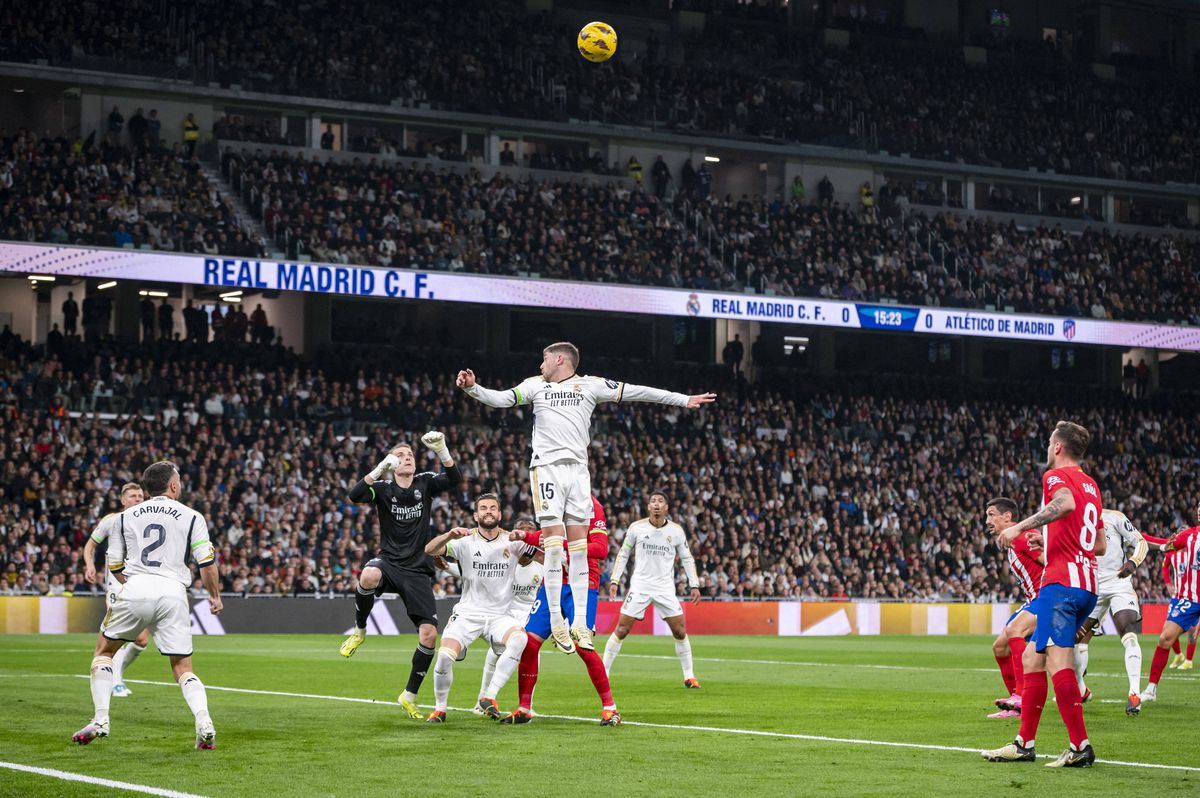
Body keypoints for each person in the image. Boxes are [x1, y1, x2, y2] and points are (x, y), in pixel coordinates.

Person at [456, 342, 715, 654]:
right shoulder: (535, 386)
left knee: (578, 550)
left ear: (560, 359)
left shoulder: (590, 385)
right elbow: (501, 399)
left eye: (544, 359)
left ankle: (579, 621)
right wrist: (473, 389)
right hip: (547, 470)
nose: (540, 365)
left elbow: (638, 391)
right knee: (553, 546)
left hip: (579, 472)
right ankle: (555, 621)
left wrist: (683, 400)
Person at [72, 461, 222, 749]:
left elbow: (114, 564)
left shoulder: (125, 517)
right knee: (182, 667)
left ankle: (101, 718)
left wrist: (133, 588)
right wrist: (214, 596)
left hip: (135, 587)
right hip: (173, 592)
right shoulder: (192, 516)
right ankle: (204, 721)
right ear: (174, 486)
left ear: (146, 489)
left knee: (104, 652)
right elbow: (207, 563)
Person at [984, 420, 1105, 768]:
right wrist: (1049, 541)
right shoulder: (1092, 485)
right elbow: (1098, 544)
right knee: (1031, 660)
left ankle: (1080, 745)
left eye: (1050, 442)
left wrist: (1021, 528)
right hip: (1086, 584)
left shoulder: (1056, 478)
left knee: (1058, 663)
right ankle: (1024, 744)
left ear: (1057, 447)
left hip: (1060, 585)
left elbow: (1064, 504)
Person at [341, 433, 461, 720]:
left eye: (411, 455)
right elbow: (355, 495)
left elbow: (453, 478)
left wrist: (443, 450)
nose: (408, 457)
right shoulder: (383, 488)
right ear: (393, 464)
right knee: (369, 574)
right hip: (390, 561)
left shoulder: (425, 482)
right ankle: (360, 631)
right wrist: (380, 468)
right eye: (401, 455)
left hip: (417, 567)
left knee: (430, 635)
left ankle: (409, 696)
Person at [501, 497, 619, 725]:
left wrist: (561, 544)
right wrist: (525, 536)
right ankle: (524, 708)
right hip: (553, 581)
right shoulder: (552, 501)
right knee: (529, 643)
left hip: (582, 584)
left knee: (582, 645)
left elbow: (601, 549)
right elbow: (545, 537)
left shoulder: (591, 506)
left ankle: (610, 708)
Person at [423, 493, 529, 723]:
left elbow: (535, 558)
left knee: (520, 639)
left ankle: (488, 697)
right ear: (476, 515)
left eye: (493, 508)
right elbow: (430, 550)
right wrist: (449, 534)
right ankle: (440, 709)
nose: (488, 511)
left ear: (500, 514)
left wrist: (534, 541)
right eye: (483, 508)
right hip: (468, 614)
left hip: (500, 615)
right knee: (443, 657)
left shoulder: (513, 540)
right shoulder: (464, 541)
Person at [603, 491, 702, 687]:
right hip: (640, 585)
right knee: (622, 629)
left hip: (665, 588)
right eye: (653, 501)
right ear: (648, 507)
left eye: (660, 501)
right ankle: (603, 673)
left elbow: (687, 558)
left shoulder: (676, 531)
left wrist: (694, 584)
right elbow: (623, 554)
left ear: (666, 507)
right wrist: (615, 580)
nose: (656, 504)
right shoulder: (636, 528)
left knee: (679, 630)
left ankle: (689, 676)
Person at [1072, 508, 1148, 715]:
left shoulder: (1115, 517)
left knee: (1128, 630)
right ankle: (1080, 689)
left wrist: (1133, 562)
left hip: (1118, 582)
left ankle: (1135, 693)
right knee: (1076, 639)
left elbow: (1141, 542)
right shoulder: (1071, 518)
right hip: (1090, 584)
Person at [82, 483, 147, 698]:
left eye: (140, 496)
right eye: (133, 496)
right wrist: (90, 565)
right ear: (123, 500)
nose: (138, 499)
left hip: (139, 585)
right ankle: (115, 682)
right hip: (117, 586)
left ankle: (115, 672)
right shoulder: (111, 521)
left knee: (142, 640)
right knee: (118, 635)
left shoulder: (149, 521)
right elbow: (90, 545)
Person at [985, 497, 1043, 720]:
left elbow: (1049, 561)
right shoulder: (1011, 541)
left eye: (991, 514)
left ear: (1007, 517)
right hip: (1032, 600)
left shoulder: (1022, 535)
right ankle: (1015, 705)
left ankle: (1022, 695)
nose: (987, 520)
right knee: (1000, 647)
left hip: (1046, 597)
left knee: (1014, 631)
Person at [1138, 499, 1200, 705]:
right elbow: (1164, 545)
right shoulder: (1189, 536)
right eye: (1199, 509)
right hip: (1190, 600)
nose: (1199, 512)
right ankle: (1151, 689)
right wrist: (1136, 535)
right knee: (1165, 638)